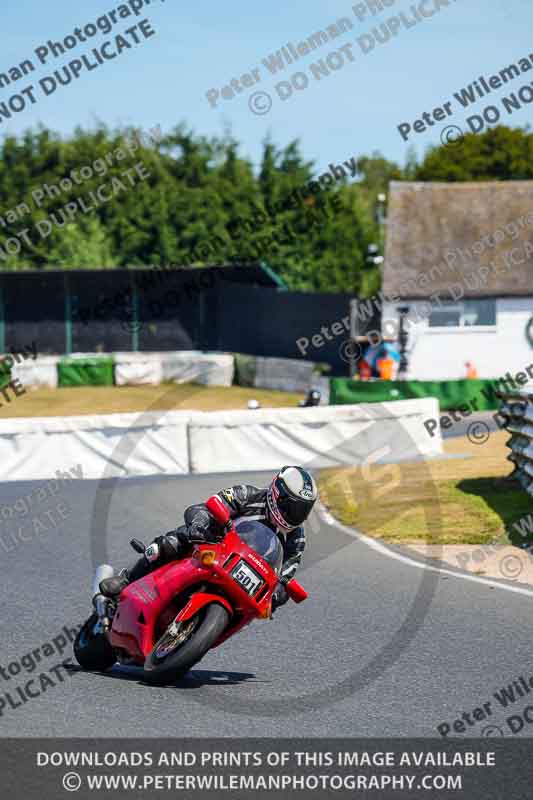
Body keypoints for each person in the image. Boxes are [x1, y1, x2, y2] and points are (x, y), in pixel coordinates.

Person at [100, 466, 318, 612]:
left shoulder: (296, 538)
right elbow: (209, 505)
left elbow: (287, 572)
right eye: (292, 507)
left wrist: (280, 592)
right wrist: (200, 524)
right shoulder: (248, 494)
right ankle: (127, 579)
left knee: (253, 611)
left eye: (302, 510)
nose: (295, 515)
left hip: (245, 577)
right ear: (277, 495)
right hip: (213, 546)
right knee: (169, 544)